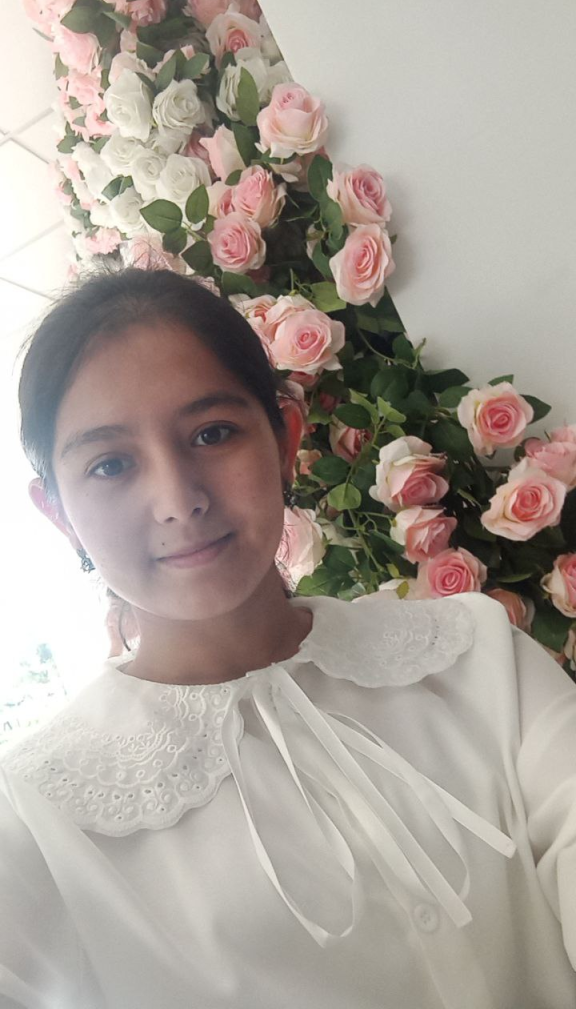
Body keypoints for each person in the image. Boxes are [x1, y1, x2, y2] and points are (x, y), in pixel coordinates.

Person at [0, 267, 575, 1009]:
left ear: (283, 440)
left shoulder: (473, 654)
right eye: (110, 464)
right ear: (58, 514)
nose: (179, 500)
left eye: (212, 433)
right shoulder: (34, 821)